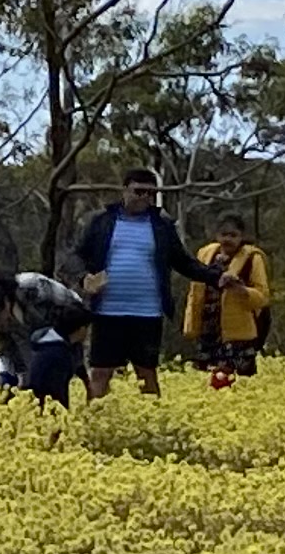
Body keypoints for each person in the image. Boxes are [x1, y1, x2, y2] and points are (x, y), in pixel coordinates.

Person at [73, 167, 212, 395]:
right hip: (107, 311)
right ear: (124, 190)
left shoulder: (162, 226)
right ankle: (93, 424)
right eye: (139, 192)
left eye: (151, 193)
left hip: (147, 312)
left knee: (146, 373)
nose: (145, 198)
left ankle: (153, 425)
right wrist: (84, 278)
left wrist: (216, 277)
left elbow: (184, 263)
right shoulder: (102, 221)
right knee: (100, 372)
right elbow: (77, 256)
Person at [0, 264, 91, 403]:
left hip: (65, 331)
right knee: (24, 385)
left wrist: (75, 331)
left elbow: (73, 302)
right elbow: (10, 357)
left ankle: (56, 411)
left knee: (47, 366)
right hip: (37, 348)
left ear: (6, 303)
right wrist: (20, 385)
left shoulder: (32, 286)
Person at [183, 216, 272, 380]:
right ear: (217, 235)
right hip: (208, 332)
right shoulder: (205, 255)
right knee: (206, 383)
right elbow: (194, 292)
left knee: (237, 383)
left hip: (238, 336)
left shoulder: (252, 259)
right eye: (224, 234)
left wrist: (240, 289)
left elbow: (263, 297)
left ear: (241, 236)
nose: (228, 240)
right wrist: (191, 325)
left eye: (233, 235)